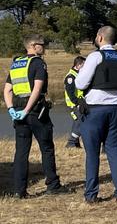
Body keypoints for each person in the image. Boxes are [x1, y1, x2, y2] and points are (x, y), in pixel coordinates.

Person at [75, 26, 117, 203]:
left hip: (94, 110)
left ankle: (91, 194)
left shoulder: (95, 56)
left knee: (92, 153)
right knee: (115, 151)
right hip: (116, 109)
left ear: (100, 38)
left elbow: (80, 84)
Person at [3, 34, 69, 198]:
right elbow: (37, 89)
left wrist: (11, 108)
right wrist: (27, 109)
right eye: (42, 44)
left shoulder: (16, 63)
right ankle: (53, 185)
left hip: (17, 112)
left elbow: (7, 90)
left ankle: (19, 190)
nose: (44, 47)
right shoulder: (38, 63)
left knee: (21, 152)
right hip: (35, 111)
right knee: (46, 148)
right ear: (33, 46)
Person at [64, 56, 86, 148]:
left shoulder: (78, 74)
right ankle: (71, 142)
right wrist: (77, 103)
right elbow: (70, 92)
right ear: (78, 65)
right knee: (81, 123)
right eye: (84, 65)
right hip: (75, 104)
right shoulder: (71, 76)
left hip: (80, 103)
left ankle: (75, 144)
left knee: (77, 123)